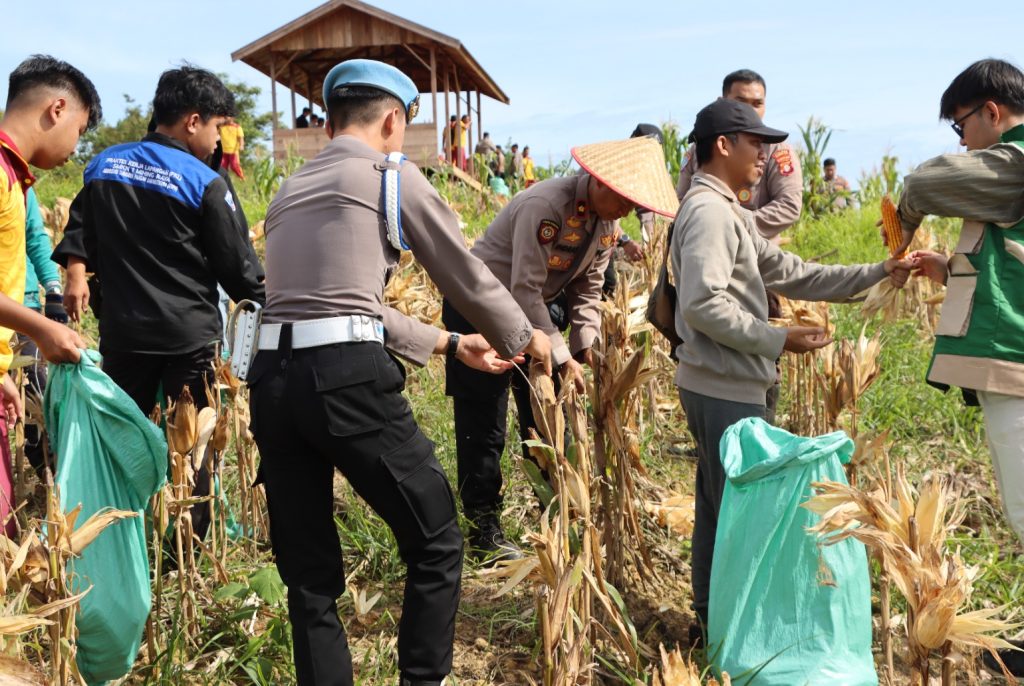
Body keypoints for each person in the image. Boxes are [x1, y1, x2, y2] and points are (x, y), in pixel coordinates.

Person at [248, 58, 551, 686]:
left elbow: (337, 306)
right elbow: (465, 275)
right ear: (394, 119)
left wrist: (448, 343)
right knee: (435, 537)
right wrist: (529, 340)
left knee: (309, 579)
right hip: (347, 381)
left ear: (331, 118)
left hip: (272, 383)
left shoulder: (288, 190)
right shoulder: (392, 174)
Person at [671, 98, 910, 646]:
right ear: (724, 146)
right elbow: (702, 306)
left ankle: (712, 620)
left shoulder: (727, 208)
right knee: (735, 514)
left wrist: (877, 272)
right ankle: (725, 628)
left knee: (718, 504)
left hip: (725, 381)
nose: (766, 154)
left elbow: (788, 270)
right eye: (756, 143)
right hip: (723, 386)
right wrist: (778, 337)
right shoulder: (709, 212)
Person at [54, 65, 265, 542]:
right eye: (216, 129)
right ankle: (183, 546)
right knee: (193, 447)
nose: (217, 143)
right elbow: (239, 271)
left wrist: (74, 272)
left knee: (126, 439)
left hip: (124, 336)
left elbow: (78, 228)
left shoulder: (104, 165)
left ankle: (123, 536)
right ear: (193, 121)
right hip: (188, 339)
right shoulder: (204, 181)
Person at [443, 135, 678, 562]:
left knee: (544, 416)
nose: (626, 211)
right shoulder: (547, 207)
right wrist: (561, 352)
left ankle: (557, 517)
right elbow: (525, 288)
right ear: (600, 183)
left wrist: (584, 347)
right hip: (480, 310)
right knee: (485, 421)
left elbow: (587, 290)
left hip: (531, 318)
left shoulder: (607, 225)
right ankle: (484, 530)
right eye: (624, 200)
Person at [887, 58, 1024, 677]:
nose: (961, 141)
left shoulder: (1014, 164)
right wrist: (950, 267)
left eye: (962, 125)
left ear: (993, 113)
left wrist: (904, 219)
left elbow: (923, 183)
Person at [0, 54, 98, 533]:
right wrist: (43, 329)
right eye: (79, 131)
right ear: (56, 108)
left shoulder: (15, 177)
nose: (74, 148)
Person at [676, 69, 803, 242]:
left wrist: (734, 227)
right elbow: (680, 201)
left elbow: (789, 205)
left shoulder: (776, 150)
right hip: (706, 242)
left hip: (759, 253)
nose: (749, 110)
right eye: (741, 102)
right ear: (722, 101)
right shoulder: (698, 149)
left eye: (757, 104)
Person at [19, 187, 67, 478]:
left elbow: (34, 235)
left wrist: (52, 287)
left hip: (23, 307)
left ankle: (53, 479)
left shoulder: (17, 178)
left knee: (37, 396)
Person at [602, 123, 659, 296]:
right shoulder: (607, 165)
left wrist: (651, 243)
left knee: (608, 286)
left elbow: (646, 212)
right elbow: (604, 220)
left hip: (605, 242)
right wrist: (626, 242)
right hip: (585, 236)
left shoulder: (640, 174)